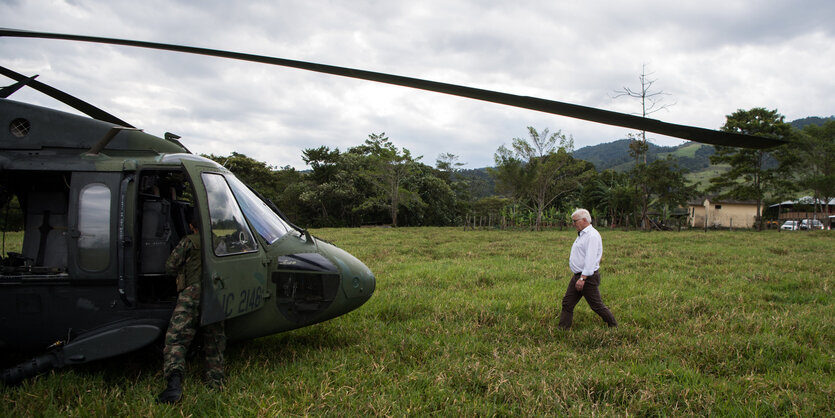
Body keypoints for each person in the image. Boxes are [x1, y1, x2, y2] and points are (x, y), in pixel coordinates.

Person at [157, 213, 226, 404]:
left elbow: (170, 266)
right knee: (214, 339)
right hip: (215, 293)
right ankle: (216, 382)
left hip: (191, 294)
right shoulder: (219, 242)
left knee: (176, 338)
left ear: (191, 226)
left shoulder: (189, 241)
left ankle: (174, 384)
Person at [558, 208, 617, 329]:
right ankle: (562, 329)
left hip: (587, 277)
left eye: (575, 221)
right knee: (567, 303)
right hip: (578, 276)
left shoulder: (592, 236)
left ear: (584, 220)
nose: (573, 224)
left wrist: (583, 278)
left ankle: (613, 325)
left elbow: (591, 259)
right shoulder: (582, 234)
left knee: (596, 305)